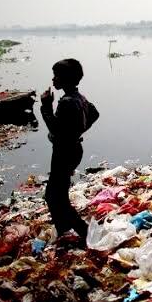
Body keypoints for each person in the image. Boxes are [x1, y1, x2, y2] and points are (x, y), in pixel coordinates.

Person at [40, 58, 99, 245]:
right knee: (57, 193)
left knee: (55, 196)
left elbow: (55, 129)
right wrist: (79, 130)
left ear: (64, 79)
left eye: (56, 76)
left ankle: (84, 231)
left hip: (64, 152)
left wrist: (46, 106)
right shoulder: (79, 97)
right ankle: (64, 229)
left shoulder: (66, 102)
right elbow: (94, 113)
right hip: (73, 149)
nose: (53, 80)